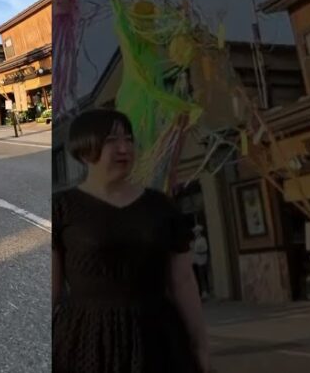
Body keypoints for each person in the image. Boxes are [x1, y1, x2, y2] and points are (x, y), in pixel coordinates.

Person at [53, 108, 209, 372]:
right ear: (84, 148)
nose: (124, 148)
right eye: (112, 141)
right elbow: (52, 289)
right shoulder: (62, 208)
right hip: (86, 336)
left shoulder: (160, 207)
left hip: (157, 334)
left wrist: (199, 343)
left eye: (128, 139)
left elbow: (182, 281)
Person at [191, 225, 210, 299]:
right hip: (196, 261)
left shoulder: (202, 239)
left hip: (202, 260)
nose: (195, 233)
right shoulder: (195, 240)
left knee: (203, 276)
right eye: (195, 232)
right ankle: (202, 291)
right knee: (199, 276)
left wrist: (197, 250)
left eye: (196, 232)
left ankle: (205, 291)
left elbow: (205, 248)